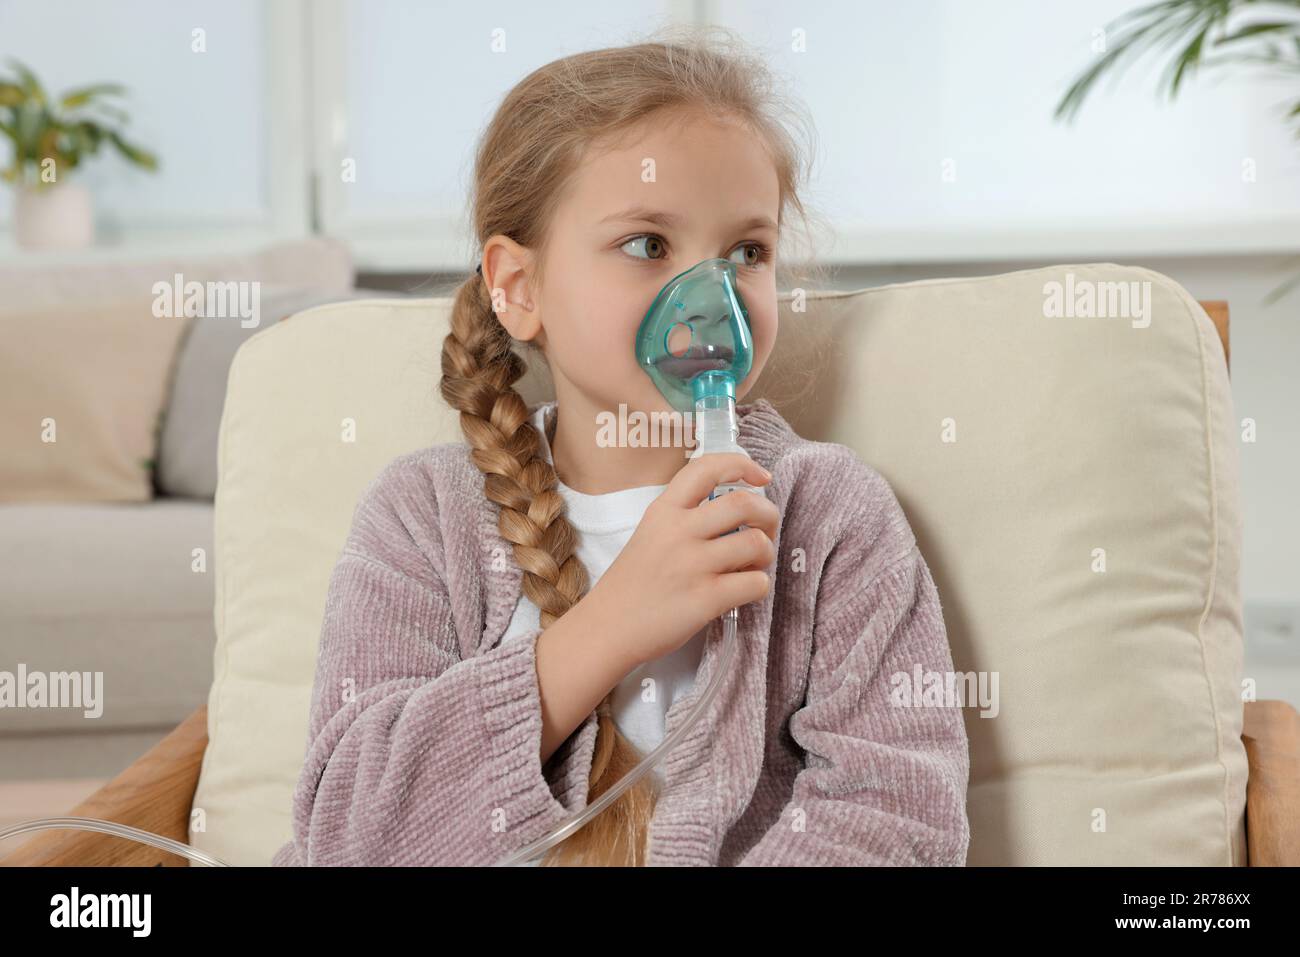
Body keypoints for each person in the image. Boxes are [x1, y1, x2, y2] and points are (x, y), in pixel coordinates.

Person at [273, 25, 970, 867]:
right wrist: (605, 630)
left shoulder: (828, 520)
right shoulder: (422, 520)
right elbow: (348, 838)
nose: (712, 301)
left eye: (747, 252)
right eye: (648, 245)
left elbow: (899, 820)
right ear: (518, 288)